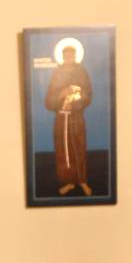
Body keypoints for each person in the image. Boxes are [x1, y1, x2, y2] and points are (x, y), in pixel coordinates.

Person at [44, 44, 92, 196]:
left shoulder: (82, 72)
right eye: (66, 55)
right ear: (63, 56)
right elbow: (49, 100)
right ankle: (69, 182)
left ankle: (82, 181)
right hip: (61, 118)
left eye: (72, 55)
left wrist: (75, 101)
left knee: (78, 147)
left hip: (76, 117)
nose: (69, 58)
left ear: (76, 56)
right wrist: (62, 94)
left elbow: (88, 95)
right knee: (63, 151)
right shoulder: (57, 73)